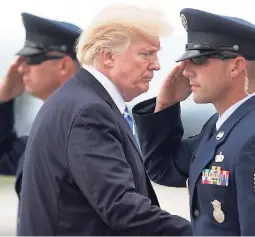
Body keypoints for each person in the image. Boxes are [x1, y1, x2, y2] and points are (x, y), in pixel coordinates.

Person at [17, 4, 192, 236]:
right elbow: (120, 206)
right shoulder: (89, 112)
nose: (157, 64)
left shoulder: (79, 100)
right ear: (108, 57)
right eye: (146, 54)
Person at [132, 8, 255, 236]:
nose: (186, 71)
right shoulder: (218, 127)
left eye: (198, 59)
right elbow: (163, 168)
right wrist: (165, 106)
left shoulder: (249, 134)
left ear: (236, 66)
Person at [0, 13, 81, 198]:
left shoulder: (82, 128)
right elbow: (3, 156)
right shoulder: (53, 129)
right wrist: (4, 99)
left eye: (32, 58)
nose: (20, 68)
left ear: (63, 65)